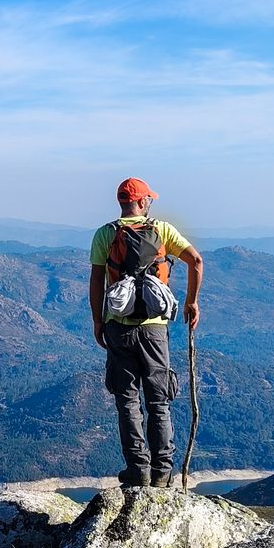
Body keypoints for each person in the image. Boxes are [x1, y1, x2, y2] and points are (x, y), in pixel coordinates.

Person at [88, 177, 203, 488]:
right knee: (158, 402)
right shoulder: (162, 230)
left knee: (127, 401)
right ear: (141, 202)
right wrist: (191, 303)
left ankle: (137, 470)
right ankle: (163, 473)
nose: (150, 202)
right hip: (154, 330)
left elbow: (97, 280)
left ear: (122, 203)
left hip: (118, 327)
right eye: (148, 198)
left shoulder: (105, 234)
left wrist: (98, 321)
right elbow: (196, 261)